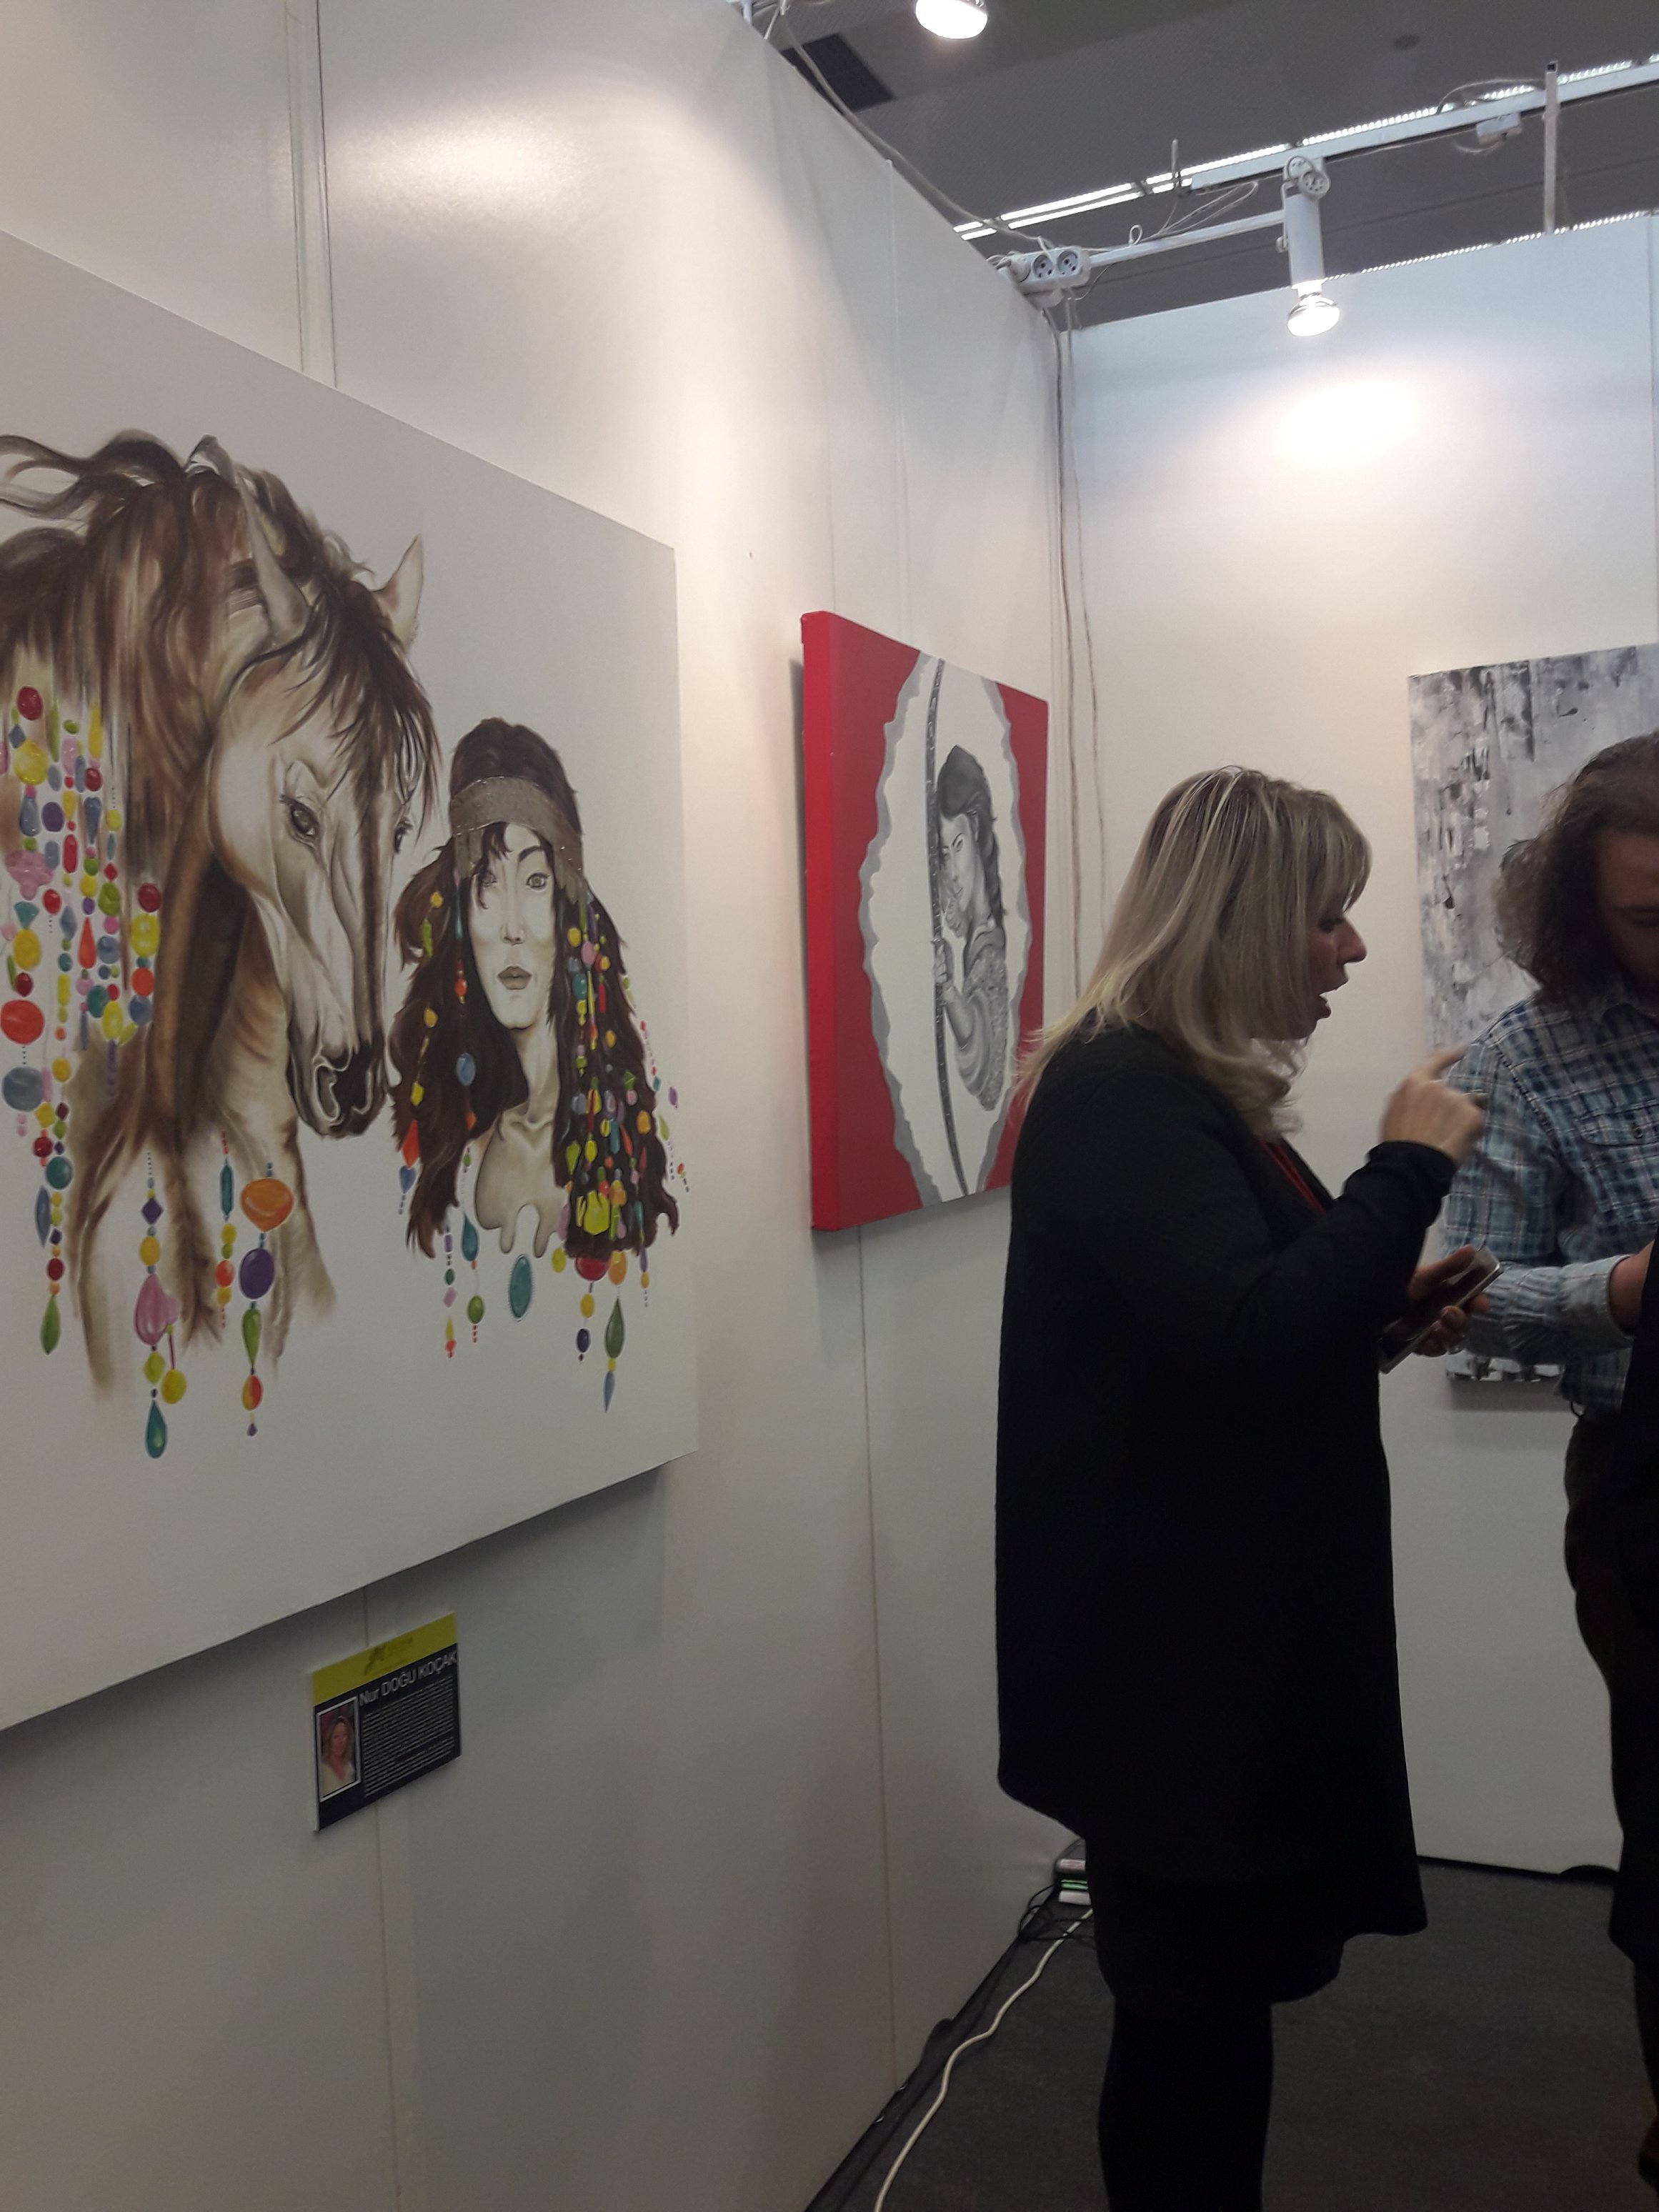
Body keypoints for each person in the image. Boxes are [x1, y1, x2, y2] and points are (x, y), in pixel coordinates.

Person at [997, 766, 1485, 2211]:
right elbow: (1248, 1336)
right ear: (1244, 916)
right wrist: (1405, 1164)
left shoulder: (1178, 1090)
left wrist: (1382, 1310)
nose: (1350, 948)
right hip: (1170, 1671)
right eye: (1326, 916)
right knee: (1186, 2027)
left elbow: (1231, 1332)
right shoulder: (1121, 1092)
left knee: (1207, 2018)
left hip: (1207, 1652)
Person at [1442, 732, 1659, 2194]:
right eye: (1648, 917)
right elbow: (1462, 1297)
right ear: (1585, 910)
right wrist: (1623, 1290)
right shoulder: (1528, 1057)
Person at [390, 719, 679, 1270]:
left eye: (535, 881)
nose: (511, 927)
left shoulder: (616, 1144)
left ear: (568, 910)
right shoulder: (454, 1140)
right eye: (487, 881)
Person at [932, 744, 1009, 1110]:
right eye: (945, 853)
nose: (952, 870)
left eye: (959, 845)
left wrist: (948, 990)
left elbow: (986, 1073)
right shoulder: (973, 930)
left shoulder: (989, 953)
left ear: (977, 831)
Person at [318, 1708, 357, 1798]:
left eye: (344, 1735)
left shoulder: (349, 1767)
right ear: (329, 1740)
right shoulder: (322, 1770)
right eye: (336, 1737)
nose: (341, 1741)